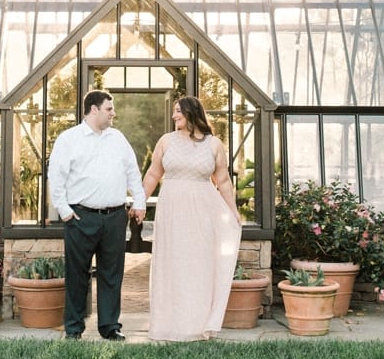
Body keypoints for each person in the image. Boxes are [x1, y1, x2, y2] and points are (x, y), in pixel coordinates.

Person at [46, 89, 147, 340]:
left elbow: (133, 172)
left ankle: (110, 326)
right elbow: (56, 177)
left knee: (112, 274)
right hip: (81, 218)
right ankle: (74, 328)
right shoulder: (69, 139)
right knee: (77, 275)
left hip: (115, 217)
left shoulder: (118, 138)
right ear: (94, 110)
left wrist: (140, 201)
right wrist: (65, 211)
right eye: (109, 109)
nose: (113, 113)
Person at [141, 95, 242, 341]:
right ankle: (169, 324)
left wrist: (234, 211)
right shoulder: (166, 141)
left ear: (191, 113)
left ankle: (198, 324)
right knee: (172, 264)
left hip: (203, 212)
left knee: (198, 265)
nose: (174, 115)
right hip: (172, 210)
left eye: (178, 111)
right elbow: (154, 173)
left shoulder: (214, 144)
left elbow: (224, 181)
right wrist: (139, 201)